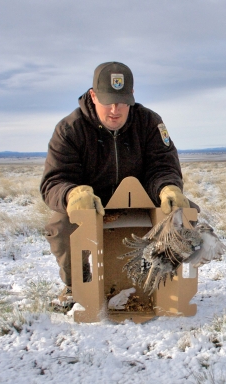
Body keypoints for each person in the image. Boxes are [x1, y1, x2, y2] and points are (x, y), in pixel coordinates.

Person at [40, 62, 195, 301]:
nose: (115, 110)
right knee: (61, 226)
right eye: (107, 101)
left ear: (132, 95)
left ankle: (165, 280)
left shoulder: (149, 123)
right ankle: (76, 284)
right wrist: (71, 195)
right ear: (93, 95)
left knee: (186, 213)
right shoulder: (70, 129)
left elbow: (163, 166)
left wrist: (167, 188)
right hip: (93, 206)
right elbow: (54, 181)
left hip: (142, 201)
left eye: (122, 102)